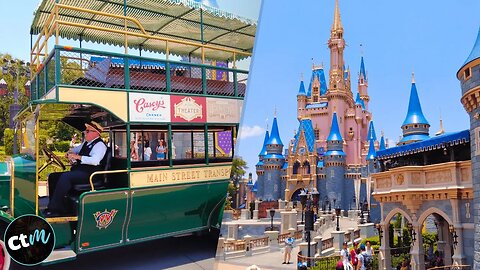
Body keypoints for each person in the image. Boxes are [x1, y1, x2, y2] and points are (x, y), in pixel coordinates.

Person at [45, 121, 107, 217]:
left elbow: (95, 161)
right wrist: (69, 153)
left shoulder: (100, 145)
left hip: (91, 175)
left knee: (66, 177)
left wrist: (78, 157)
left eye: (88, 131)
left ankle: (55, 209)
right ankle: (57, 205)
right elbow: (76, 150)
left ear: (96, 133)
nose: (85, 133)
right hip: (81, 171)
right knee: (53, 176)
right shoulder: (87, 143)